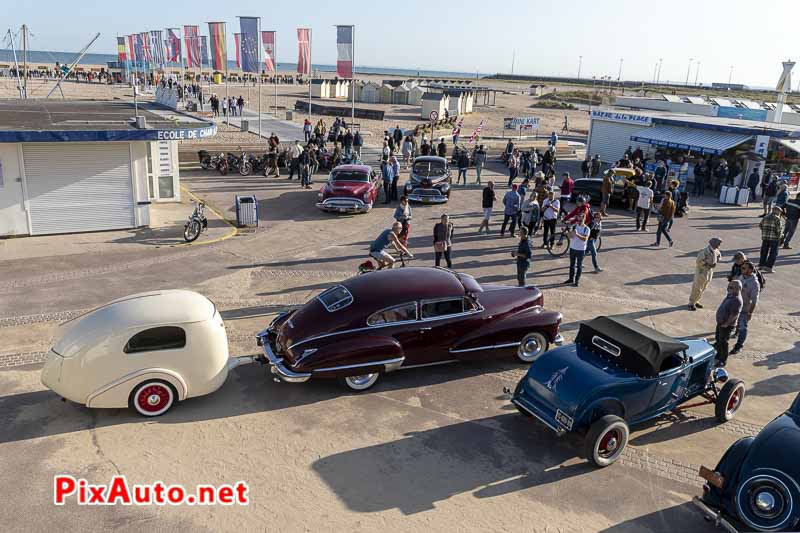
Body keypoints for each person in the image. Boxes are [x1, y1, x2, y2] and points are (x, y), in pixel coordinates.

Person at [730, 261, 759, 356]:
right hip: (735, 305)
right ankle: (732, 335)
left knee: (743, 326)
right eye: (742, 268)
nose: (741, 270)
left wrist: (750, 312)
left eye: (744, 268)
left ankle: (739, 345)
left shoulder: (754, 283)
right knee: (731, 323)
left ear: (750, 270)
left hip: (744, 308)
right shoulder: (741, 277)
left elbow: (754, 300)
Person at [689, 237, 723, 311]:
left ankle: (696, 300)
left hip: (709, 271)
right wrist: (708, 264)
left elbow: (719, 256)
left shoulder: (716, 250)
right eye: (718, 243)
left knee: (704, 287)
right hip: (702, 271)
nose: (719, 245)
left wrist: (717, 260)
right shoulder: (704, 251)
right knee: (697, 288)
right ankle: (691, 303)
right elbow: (698, 262)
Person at [714, 280, 743, 367]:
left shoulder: (736, 300)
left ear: (738, 289)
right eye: (728, 286)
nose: (728, 289)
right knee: (718, 340)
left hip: (726, 326)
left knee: (723, 343)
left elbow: (734, 314)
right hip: (721, 323)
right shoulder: (731, 295)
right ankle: (718, 356)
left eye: (731, 287)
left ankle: (723, 360)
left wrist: (726, 324)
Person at [564, 213, 590, 287]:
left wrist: (577, 234)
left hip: (581, 250)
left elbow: (585, 239)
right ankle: (570, 279)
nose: (578, 221)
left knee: (579, 266)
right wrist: (567, 233)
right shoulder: (574, 226)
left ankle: (577, 281)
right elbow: (571, 237)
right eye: (578, 219)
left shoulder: (586, 229)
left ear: (584, 219)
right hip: (572, 248)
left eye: (580, 219)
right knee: (571, 265)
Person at [758, 206, 785, 273]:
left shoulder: (766, 217)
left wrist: (765, 231)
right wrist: (781, 237)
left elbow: (760, 225)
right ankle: (768, 267)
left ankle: (761, 265)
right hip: (774, 238)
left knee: (764, 252)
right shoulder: (777, 219)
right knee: (773, 253)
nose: (780, 214)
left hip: (765, 237)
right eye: (780, 212)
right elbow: (779, 230)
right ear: (777, 211)